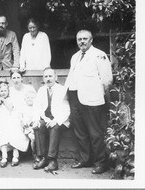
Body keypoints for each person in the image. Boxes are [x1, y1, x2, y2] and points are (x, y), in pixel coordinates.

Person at [65, 30, 113, 174]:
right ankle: (85, 159)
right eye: (79, 39)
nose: (82, 41)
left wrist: (102, 97)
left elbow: (107, 79)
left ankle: (100, 162)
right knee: (80, 131)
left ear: (91, 40)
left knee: (95, 132)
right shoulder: (75, 57)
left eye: (85, 39)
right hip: (75, 97)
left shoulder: (99, 55)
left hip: (93, 99)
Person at [32, 67, 70, 172]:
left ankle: (52, 160)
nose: (48, 79)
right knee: (38, 125)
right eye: (46, 76)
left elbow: (67, 109)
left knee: (55, 128)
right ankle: (42, 157)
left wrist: (56, 120)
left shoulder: (62, 90)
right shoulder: (41, 90)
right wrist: (38, 119)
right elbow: (37, 106)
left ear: (55, 77)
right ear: (43, 79)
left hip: (60, 120)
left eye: (50, 76)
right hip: (47, 119)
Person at [0, 83, 29, 168]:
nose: (3, 93)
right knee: (3, 136)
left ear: (8, 92)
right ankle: (4, 157)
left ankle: (15, 156)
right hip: (3, 122)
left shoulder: (10, 99)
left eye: (5, 91)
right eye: (1, 91)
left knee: (15, 135)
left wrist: (4, 101)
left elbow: (10, 109)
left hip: (12, 120)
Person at [19, 90, 37, 160]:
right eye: (28, 98)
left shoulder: (36, 108)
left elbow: (36, 118)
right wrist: (24, 122)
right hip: (26, 128)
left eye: (32, 98)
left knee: (35, 137)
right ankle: (33, 153)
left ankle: (35, 152)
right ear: (25, 99)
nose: (30, 99)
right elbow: (21, 117)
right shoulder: (23, 108)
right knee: (32, 137)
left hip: (33, 127)